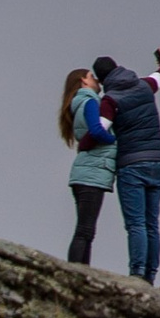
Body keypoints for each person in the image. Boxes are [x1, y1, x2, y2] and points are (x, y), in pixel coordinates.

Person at [90, 49, 160, 282]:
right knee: (151, 223)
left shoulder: (110, 101)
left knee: (136, 223)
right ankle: (150, 275)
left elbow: (99, 130)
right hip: (157, 161)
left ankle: (137, 274)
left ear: (101, 80)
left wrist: (82, 143)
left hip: (131, 163)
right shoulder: (144, 85)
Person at [61, 65, 115, 263]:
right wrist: (114, 141)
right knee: (85, 230)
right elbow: (97, 131)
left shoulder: (78, 104)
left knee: (85, 230)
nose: (97, 81)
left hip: (84, 174)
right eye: (92, 77)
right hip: (92, 174)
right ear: (83, 81)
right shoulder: (90, 102)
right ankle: (76, 273)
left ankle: (80, 272)